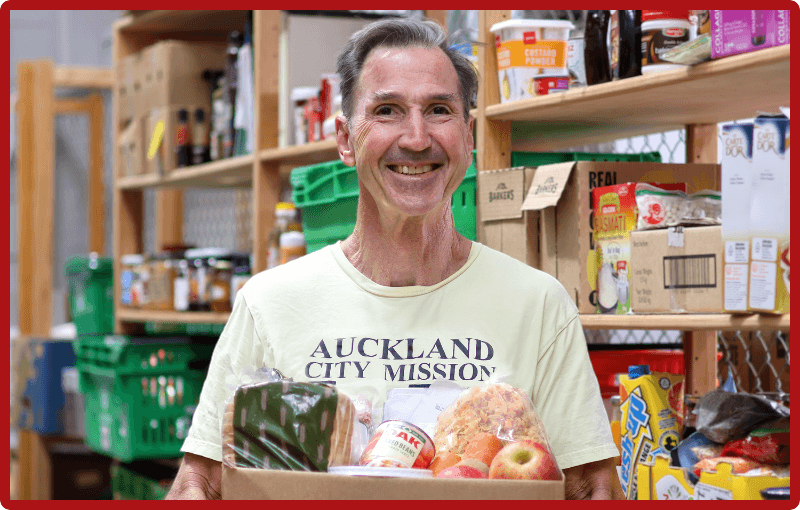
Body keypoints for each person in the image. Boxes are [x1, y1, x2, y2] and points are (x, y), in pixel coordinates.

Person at [167, 17, 624, 500]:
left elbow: (592, 489)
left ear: (468, 136)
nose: (416, 137)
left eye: (439, 110)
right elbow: (198, 485)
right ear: (345, 138)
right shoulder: (270, 304)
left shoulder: (539, 305)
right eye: (387, 110)